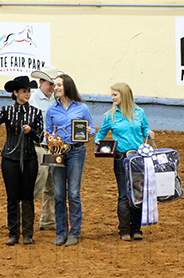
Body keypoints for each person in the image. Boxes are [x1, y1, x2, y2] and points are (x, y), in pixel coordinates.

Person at [94, 82, 155, 241]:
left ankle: (136, 229)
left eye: (115, 95)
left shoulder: (139, 112)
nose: (112, 97)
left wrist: (149, 133)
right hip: (120, 158)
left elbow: (145, 130)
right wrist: (98, 142)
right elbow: (101, 133)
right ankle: (124, 230)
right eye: (112, 95)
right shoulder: (111, 115)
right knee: (123, 194)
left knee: (137, 193)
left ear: (124, 95)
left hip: (137, 158)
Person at [0, 76, 43, 245]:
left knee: (27, 196)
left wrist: (31, 131)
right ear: (16, 93)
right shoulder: (6, 111)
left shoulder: (36, 112)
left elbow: (40, 137)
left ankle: (27, 233)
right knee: (12, 197)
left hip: (29, 158)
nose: (27, 94)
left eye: (28, 92)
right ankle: (13, 233)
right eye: (24, 91)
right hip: (9, 158)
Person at [45, 74, 95, 247]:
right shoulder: (51, 110)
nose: (56, 88)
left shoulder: (82, 108)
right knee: (59, 194)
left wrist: (89, 130)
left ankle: (74, 232)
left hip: (76, 151)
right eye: (55, 85)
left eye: (59, 85)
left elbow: (92, 128)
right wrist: (51, 139)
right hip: (58, 152)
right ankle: (61, 232)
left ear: (68, 86)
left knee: (73, 193)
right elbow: (48, 132)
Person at [29, 67, 59, 231]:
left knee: (52, 186)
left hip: (54, 148)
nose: (53, 88)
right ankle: (22, 218)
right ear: (41, 83)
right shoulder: (33, 99)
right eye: (50, 84)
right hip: (39, 147)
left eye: (54, 84)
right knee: (36, 184)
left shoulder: (57, 99)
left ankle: (48, 220)